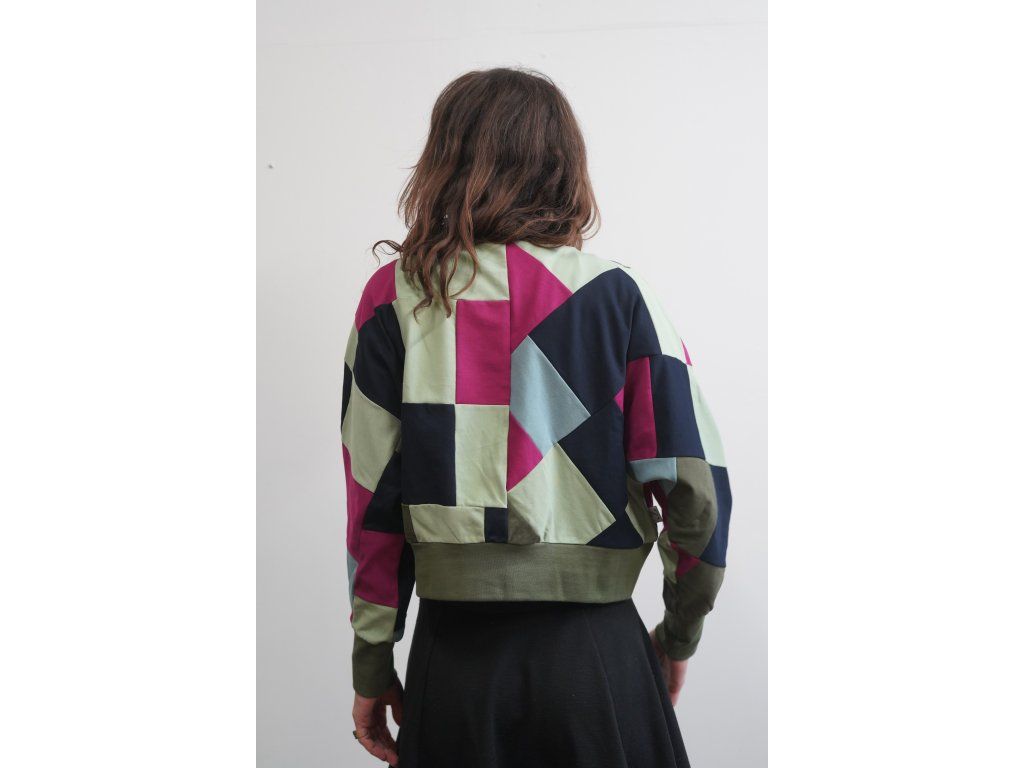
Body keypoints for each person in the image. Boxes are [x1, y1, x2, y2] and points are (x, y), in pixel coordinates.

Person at [340, 67, 733, 768]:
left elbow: (372, 501)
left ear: (444, 162)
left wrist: (372, 661)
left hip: (454, 665)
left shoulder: (395, 299)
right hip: (599, 659)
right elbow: (696, 493)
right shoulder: (621, 297)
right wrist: (678, 635)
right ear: (565, 165)